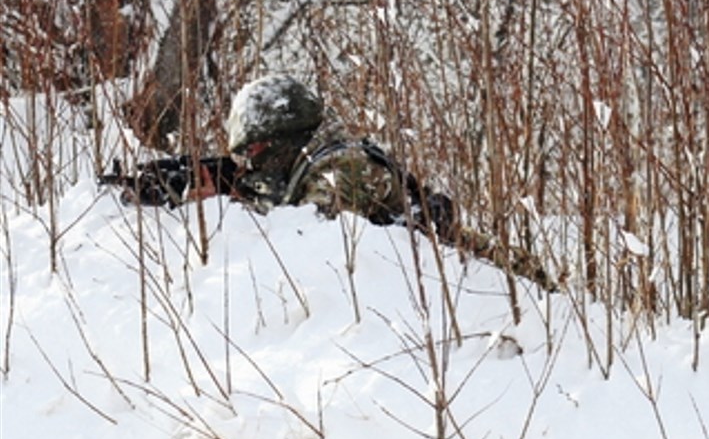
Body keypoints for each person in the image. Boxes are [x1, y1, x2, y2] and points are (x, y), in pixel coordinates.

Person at [114, 74, 554, 290]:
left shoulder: (343, 168)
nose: (247, 164)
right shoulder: (310, 162)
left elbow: (314, 237)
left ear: (283, 142)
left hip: (506, 283)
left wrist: (231, 196)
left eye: (252, 153)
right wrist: (209, 182)